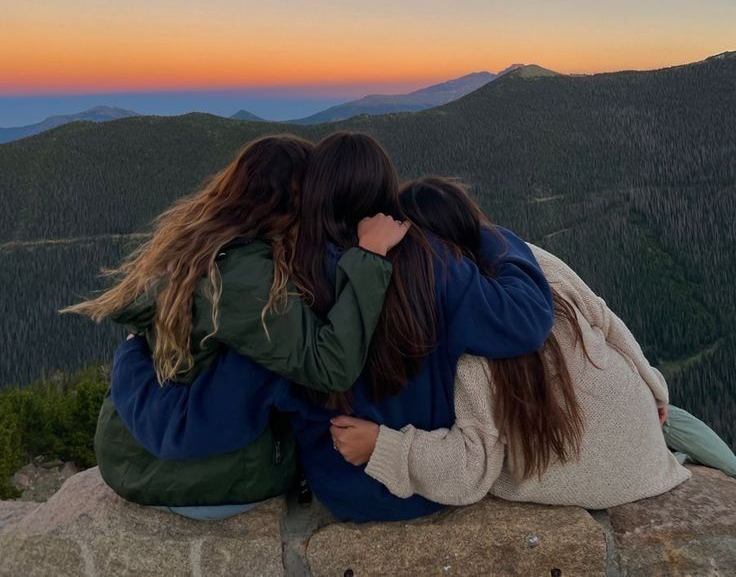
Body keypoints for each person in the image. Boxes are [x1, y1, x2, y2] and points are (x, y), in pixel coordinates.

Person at [109, 133, 556, 522]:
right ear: (387, 195)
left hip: (342, 489)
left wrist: (132, 357)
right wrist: (484, 231)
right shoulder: (436, 265)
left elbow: (204, 420)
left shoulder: (286, 294)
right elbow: (527, 320)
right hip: (430, 488)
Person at [330, 179, 736, 508]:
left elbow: (472, 466)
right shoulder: (531, 263)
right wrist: (655, 390)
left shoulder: (468, 340)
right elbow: (605, 318)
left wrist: (382, 446)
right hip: (636, 421)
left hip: (597, 477)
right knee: (677, 419)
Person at [63, 135, 408, 518]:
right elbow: (332, 366)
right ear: (292, 201)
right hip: (206, 479)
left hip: (148, 457)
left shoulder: (205, 244)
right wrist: (371, 257)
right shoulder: (243, 278)